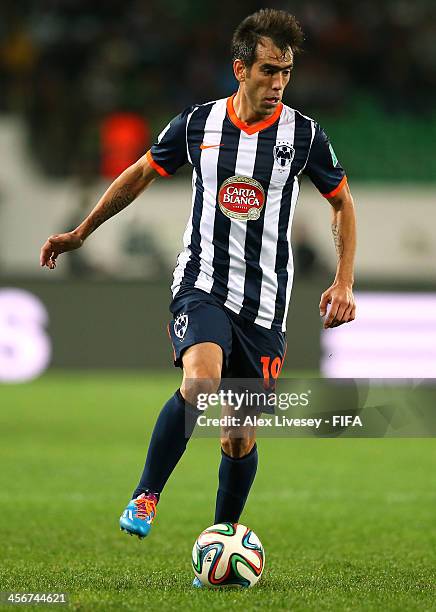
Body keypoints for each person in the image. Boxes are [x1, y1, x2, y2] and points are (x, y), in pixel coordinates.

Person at [40, 7, 356, 574]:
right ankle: (146, 494)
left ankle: (221, 536)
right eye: (267, 71)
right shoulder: (197, 125)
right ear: (240, 69)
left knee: (238, 434)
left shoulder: (304, 134)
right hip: (202, 283)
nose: (278, 83)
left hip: (265, 305)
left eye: (286, 72)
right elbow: (138, 174)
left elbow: (342, 203)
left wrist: (343, 280)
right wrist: (82, 232)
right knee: (202, 379)